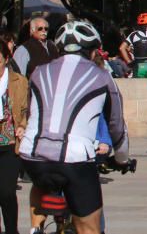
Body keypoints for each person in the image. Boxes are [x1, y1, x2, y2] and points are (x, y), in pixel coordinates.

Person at [21, 21, 129, 234]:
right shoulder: (102, 76)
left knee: (42, 177)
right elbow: (116, 124)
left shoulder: (38, 72)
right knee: (89, 227)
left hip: (32, 156)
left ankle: (36, 228)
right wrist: (122, 158)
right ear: (92, 52)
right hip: (75, 159)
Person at [0, 41, 28, 234]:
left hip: (10, 143)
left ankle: (12, 230)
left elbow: (27, 111)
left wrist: (23, 126)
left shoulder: (19, 81)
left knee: (7, 192)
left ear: (6, 59)